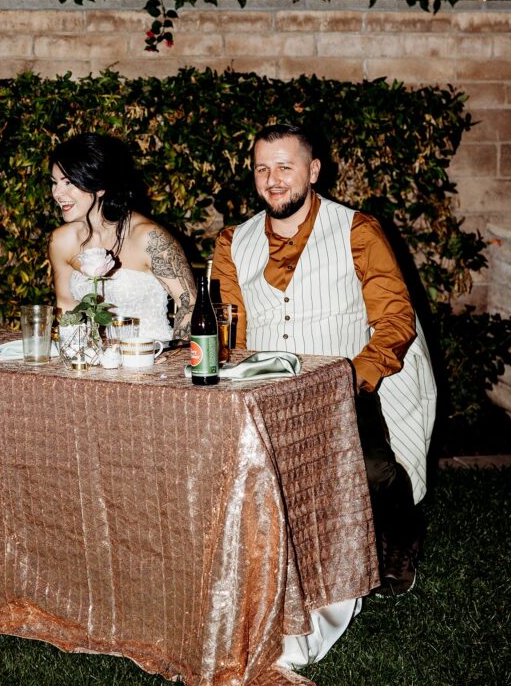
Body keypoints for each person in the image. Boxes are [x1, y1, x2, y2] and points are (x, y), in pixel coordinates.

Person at [212, 123, 437, 665]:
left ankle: (393, 546)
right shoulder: (232, 242)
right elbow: (230, 331)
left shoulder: (358, 230)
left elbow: (393, 321)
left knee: (377, 472)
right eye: (263, 168)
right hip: (277, 390)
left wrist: (347, 383)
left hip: (364, 379)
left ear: (314, 171)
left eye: (285, 167)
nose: (272, 180)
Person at [48, 132, 196, 341]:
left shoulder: (149, 238)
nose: (57, 193)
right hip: (94, 362)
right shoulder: (62, 241)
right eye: (54, 183)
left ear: (99, 187)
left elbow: (189, 303)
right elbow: (66, 307)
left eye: (68, 182)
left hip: (151, 357)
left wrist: (173, 355)